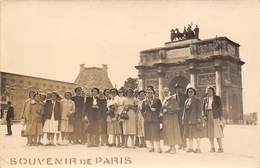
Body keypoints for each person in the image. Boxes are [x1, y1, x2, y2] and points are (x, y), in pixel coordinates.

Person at [202, 86, 224, 153]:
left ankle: (220, 148)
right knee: (210, 133)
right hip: (208, 116)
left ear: (213, 91)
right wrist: (204, 116)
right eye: (208, 91)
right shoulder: (205, 99)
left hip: (215, 116)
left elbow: (220, 108)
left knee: (217, 132)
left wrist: (221, 118)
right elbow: (203, 109)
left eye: (210, 90)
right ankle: (212, 147)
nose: (209, 92)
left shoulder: (217, 98)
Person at [182, 84, 203, 153]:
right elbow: (185, 111)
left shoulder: (197, 100)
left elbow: (200, 110)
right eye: (189, 92)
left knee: (196, 135)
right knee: (190, 135)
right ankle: (190, 147)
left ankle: (198, 148)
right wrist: (184, 119)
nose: (190, 93)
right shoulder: (186, 101)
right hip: (188, 120)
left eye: (191, 92)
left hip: (195, 120)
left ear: (194, 92)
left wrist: (199, 118)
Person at [161, 87, 182, 154]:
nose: (165, 93)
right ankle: (170, 147)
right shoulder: (164, 99)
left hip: (172, 117)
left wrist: (167, 110)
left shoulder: (172, 99)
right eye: (164, 92)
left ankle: (173, 148)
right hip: (166, 118)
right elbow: (163, 108)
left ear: (169, 92)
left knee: (172, 132)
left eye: (166, 92)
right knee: (167, 132)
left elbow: (176, 108)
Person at [141, 86, 162, 153]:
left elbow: (160, 109)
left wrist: (156, 110)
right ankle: (151, 147)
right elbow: (142, 110)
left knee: (156, 133)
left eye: (150, 92)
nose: (149, 94)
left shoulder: (157, 100)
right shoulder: (145, 101)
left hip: (155, 119)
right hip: (147, 119)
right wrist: (145, 116)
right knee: (149, 133)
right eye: (148, 92)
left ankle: (158, 148)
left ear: (153, 93)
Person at [174, 83, 187, 149]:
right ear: (175, 90)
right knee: (178, 129)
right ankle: (179, 144)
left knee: (183, 129)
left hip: (183, 114)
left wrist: (181, 109)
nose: (178, 90)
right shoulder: (173, 96)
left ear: (181, 89)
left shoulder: (185, 96)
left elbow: (186, 105)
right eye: (176, 89)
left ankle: (184, 144)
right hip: (176, 115)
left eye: (179, 88)